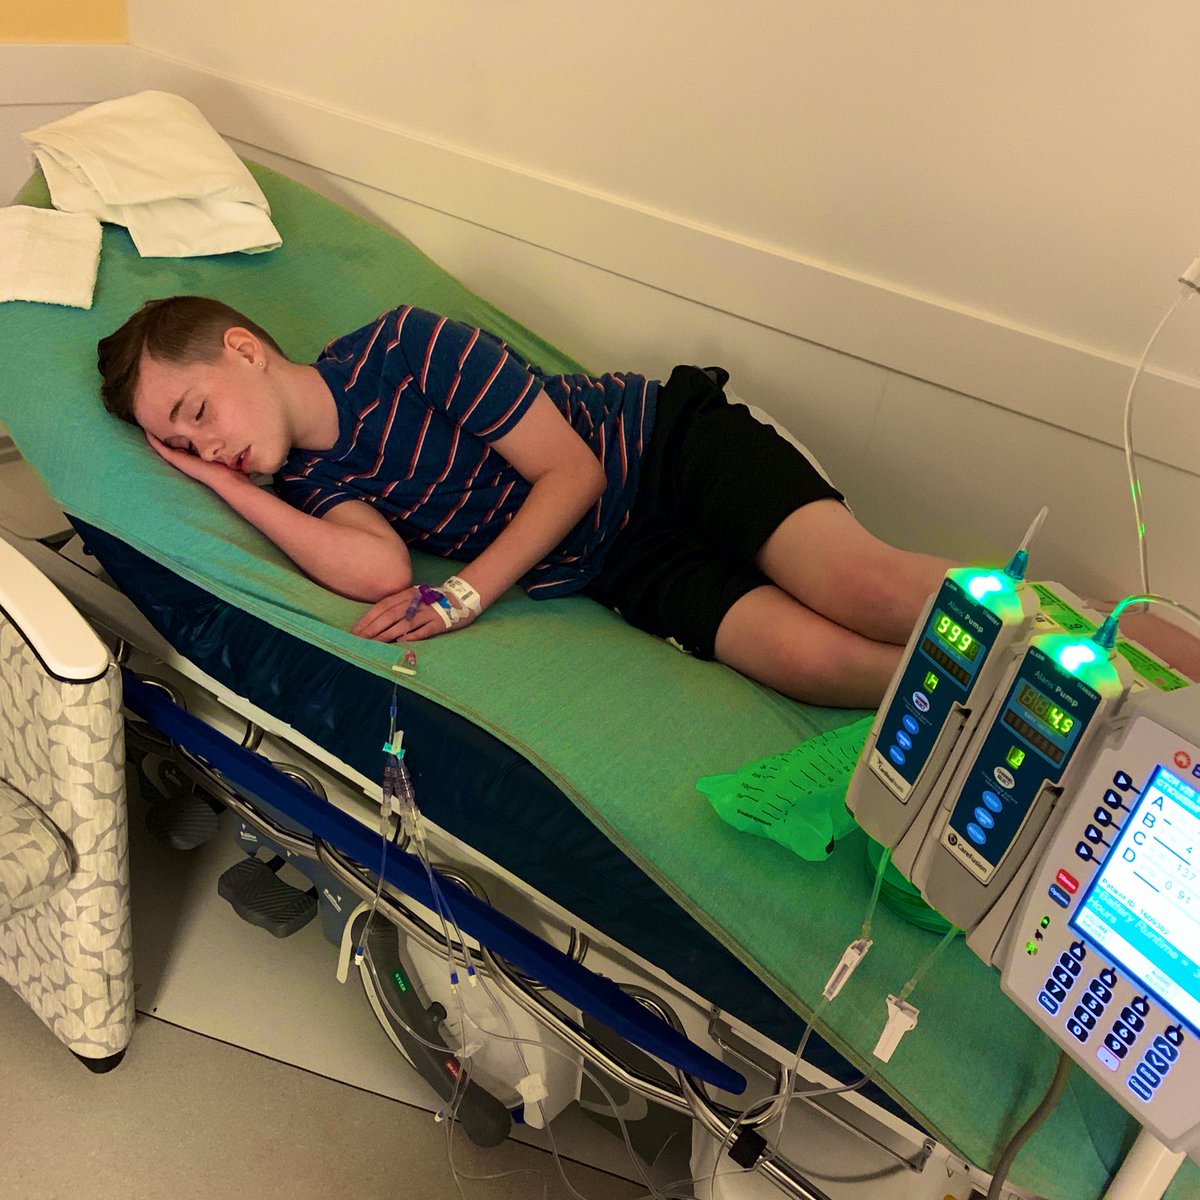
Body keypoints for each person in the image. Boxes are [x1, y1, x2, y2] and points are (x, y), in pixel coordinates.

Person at [100, 295, 1193, 708]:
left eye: (197, 411)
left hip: (661, 452)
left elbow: (571, 472)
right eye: (179, 443)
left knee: (868, 589)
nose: (205, 443)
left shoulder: (403, 345)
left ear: (245, 347)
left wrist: (469, 594)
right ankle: (1090, 712)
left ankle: (1148, 647)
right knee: (822, 666)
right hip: (619, 564)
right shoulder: (310, 481)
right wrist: (222, 483)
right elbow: (379, 571)